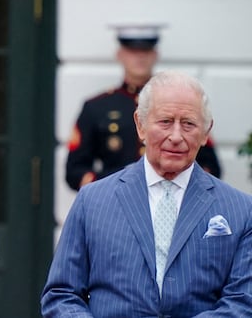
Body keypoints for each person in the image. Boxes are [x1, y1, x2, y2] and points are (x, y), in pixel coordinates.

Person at [42, 70, 252, 316]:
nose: (176, 136)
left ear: (206, 132)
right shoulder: (92, 201)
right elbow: (62, 295)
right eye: (165, 122)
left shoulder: (240, 210)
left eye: (188, 124)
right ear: (140, 125)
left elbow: (242, 302)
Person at [65, 24, 222, 191]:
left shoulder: (180, 103)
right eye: (132, 51)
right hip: (116, 198)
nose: (139, 57)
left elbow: (210, 166)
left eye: (145, 51)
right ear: (119, 55)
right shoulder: (96, 107)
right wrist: (108, 187)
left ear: (155, 55)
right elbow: (75, 170)